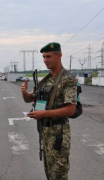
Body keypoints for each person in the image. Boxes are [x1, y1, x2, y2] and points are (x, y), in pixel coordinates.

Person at [21, 42, 77, 180]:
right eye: (44, 57)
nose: (45, 60)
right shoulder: (47, 79)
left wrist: (44, 114)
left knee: (58, 174)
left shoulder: (67, 78)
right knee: (49, 173)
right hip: (46, 133)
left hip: (59, 133)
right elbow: (30, 99)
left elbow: (70, 109)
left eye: (48, 56)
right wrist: (24, 93)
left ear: (59, 56)